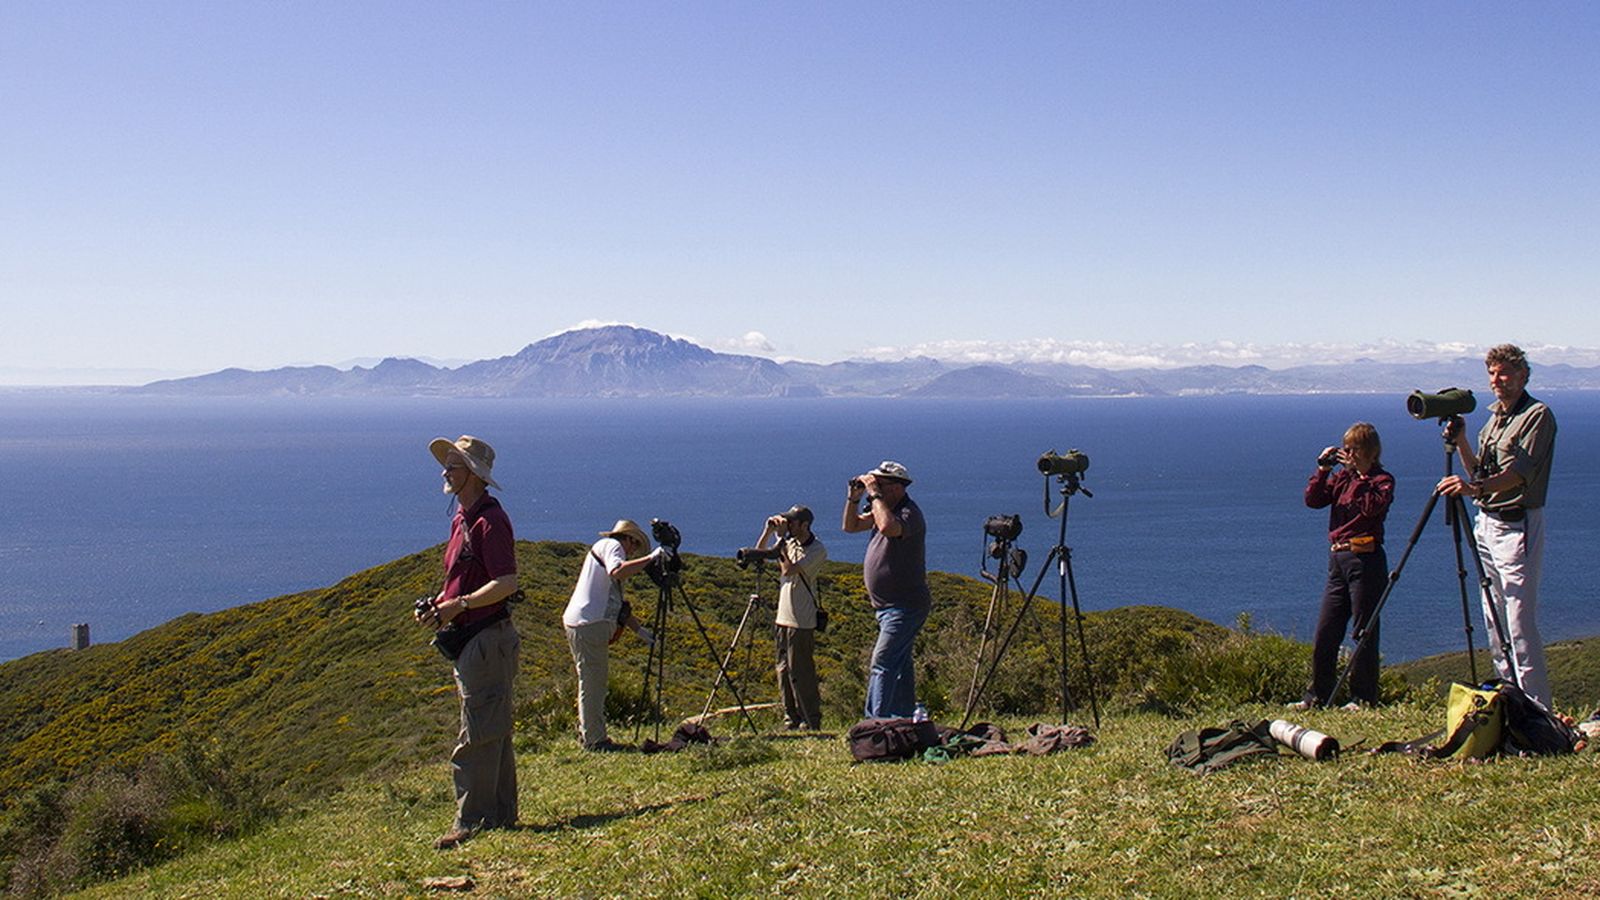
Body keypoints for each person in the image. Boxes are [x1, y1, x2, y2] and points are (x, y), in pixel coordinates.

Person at [414, 435, 521, 850]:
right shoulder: (462, 519)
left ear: (473, 475)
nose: (445, 472)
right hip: (475, 638)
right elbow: (462, 578)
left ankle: (471, 821)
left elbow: (506, 582)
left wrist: (456, 605)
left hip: (486, 638)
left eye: (453, 465)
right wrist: (439, 607)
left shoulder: (489, 521)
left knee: (477, 731)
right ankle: (499, 814)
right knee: (491, 728)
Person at [1438, 344, 1558, 709]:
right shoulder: (1493, 421)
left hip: (1516, 524)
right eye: (1492, 373)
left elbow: (1518, 476)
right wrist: (1460, 442)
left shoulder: (1537, 415)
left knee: (1519, 622)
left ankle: (1538, 711)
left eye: (1504, 373)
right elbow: (1480, 473)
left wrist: (1471, 488)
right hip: (1487, 522)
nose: (1497, 381)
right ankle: (1510, 705)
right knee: (1494, 621)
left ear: (1523, 375)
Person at [1293, 423, 1395, 710]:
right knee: (1327, 631)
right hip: (1338, 559)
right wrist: (1323, 470)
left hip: (1366, 558)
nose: (1347, 453)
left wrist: (1361, 476)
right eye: (1345, 448)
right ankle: (1318, 696)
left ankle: (1362, 697)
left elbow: (1371, 508)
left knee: (1364, 631)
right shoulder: (1342, 479)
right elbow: (1313, 500)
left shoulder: (1381, 480)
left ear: (1370, 451)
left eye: (1353, 448)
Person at [842, 460, 932, 719]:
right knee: (900, 664)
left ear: (897, 487)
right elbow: (850, 526)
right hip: (888, 607)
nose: (877, 487)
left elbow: (887, 527)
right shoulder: (884, 508)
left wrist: (874, 494)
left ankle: (876, 723)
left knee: (882, 662)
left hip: (906, 605)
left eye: (882, 483)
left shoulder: (908, 513)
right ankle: (901, 718)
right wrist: (854, 499)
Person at [562, 519, 661, 750]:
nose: (633, 551)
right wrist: (650, 559)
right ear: (627, 539)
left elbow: (617, 606)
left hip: (581, 623)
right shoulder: (612, 546)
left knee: (589, 680)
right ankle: (595, 740)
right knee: (593, 683)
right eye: (634, 545)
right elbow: (617, 571)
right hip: (589, 624)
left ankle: (588, 731)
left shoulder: (603, 549)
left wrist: (640, 631)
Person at [754, 505, 828, 730]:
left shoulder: (817, 549)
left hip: (802, 619)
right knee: (783, 669)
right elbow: (761, 553)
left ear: (804, 525)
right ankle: (791, 717)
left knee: (801, 670)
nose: (789, 526)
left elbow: (788, 570)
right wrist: (768, 533)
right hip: (782, 616)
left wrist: (781, 542)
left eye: (792, 523)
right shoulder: (789, 543)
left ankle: (810, 718)